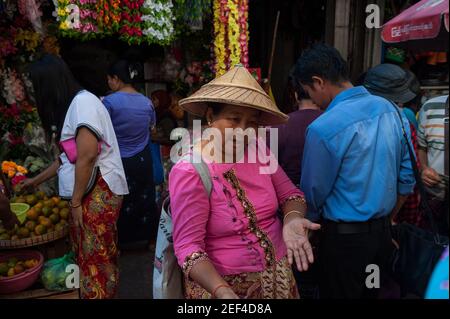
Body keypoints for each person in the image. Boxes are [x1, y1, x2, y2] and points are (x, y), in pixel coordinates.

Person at [169, 66, 321, 299]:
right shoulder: (191, 170)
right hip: (223, 289)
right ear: (210, 117)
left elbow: (291, 195)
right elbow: (188, 248)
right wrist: (222, 291)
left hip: (279, 280)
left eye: (251, 122)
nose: (242, 131)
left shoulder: (258, 149)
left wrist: (292, 220)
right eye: (233, 119)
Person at [294, 44, 415, 299]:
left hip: (343, 243)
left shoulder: (323, 128)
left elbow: (313, 194)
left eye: (309, 92)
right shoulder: (393, 111)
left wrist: (311, 232)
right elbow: (407, 177)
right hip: (382, 237)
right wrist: (385, 221)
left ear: (318, 82)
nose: (313, 101)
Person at [21, 54, 128, 299]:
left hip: (97, 191)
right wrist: (35, 181)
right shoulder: (78, 105)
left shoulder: (83, 103)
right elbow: (67, 158)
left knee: (96, 258)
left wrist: (77, 201)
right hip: (92, 190)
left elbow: (88, 155)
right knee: (93, 256)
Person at [104, 60, 157, 246]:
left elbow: (103, 131)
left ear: (116, 79)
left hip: (118, 160)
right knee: (145, 199)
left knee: (121, 201)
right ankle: (147, 239)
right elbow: (152, 129)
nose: (108, 83)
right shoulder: (146, 102)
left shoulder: (108, 102)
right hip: (142, 158)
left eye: (109, 79)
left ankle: (122, 242)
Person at [363, 64, 423, 227]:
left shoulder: (355, 123)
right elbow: (409, 174)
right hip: (393, 214)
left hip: (369, 217)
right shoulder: (402, 122)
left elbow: (408, 175)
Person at [274, 75, 322, 186]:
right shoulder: (331, 122)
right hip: (322, 192)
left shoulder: (278, 125)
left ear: (296, 96)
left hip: (285, 192)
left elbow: (266, 169)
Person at [417, 94, 449, 235]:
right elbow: (421, 147)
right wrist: (423, 168)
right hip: (434, 198)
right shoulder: (430, 107)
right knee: (434, 248)